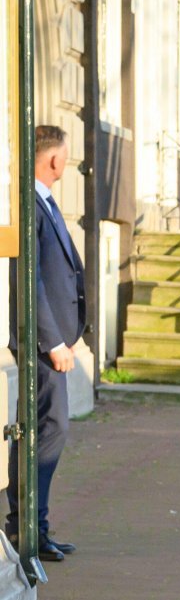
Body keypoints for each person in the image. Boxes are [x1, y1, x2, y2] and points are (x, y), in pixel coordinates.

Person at [5, 125, 87, 561]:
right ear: (53, 160)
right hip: (43, 344)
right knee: (45, 431)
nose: (67, 163)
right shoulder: (30, 205)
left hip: (53, 342)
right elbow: (28, 278)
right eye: (65, 156)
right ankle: (25, 530)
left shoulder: (44, 203)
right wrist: (53, 341)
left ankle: (34, 528)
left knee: (44, 431)